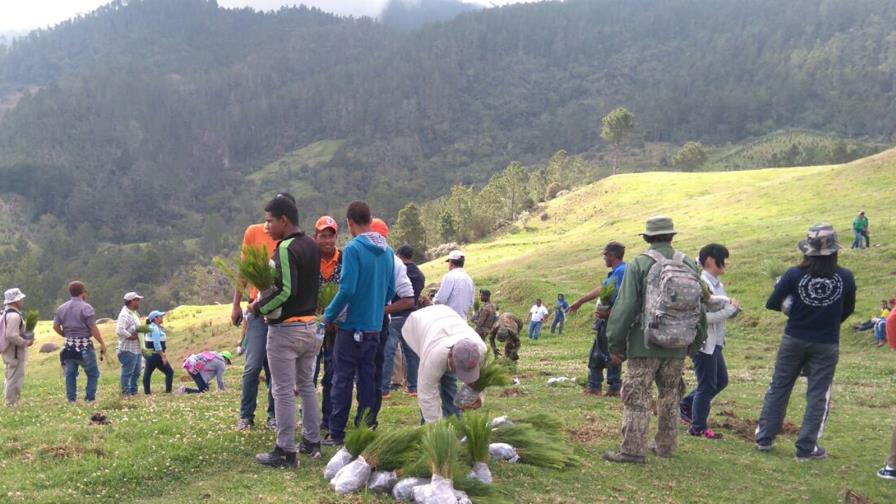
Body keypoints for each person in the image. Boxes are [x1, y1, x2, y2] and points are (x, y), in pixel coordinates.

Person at [603, 217, 706, 464]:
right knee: (670, 394)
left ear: (647, 238)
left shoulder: (640, 264)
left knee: (637, 396)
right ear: (671, 236)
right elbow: (699, 305)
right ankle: (666, 446)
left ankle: (632, 450)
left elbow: (625, 306)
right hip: (678, 344)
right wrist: (696, 340)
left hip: (644, 344)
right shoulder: (688, 263)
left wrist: (615, 344)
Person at [757, 223, 856, 461]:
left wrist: (794, 308)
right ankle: (806, 448)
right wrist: (828, 321)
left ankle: (765, 437)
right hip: (827, 342)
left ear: (807, 250)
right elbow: (848, 310)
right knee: (817, 395)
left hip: (794, 338)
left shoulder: (793, 274)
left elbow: (772, 303)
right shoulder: (845, 277)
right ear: (834, 250)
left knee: (779, 387)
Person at [247, 196, 321, 467]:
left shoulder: (286, 248)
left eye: (269, 221)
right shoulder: (311, 245)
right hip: (310, 326)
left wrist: (259, 306)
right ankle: (312, 441)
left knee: (282, 390)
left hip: (286, 330)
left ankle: (286, 450)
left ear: (284, 220)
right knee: (307, 385)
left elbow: (286, 290)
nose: (267, 227)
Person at [321, 201, 395, 446]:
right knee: (367, 379)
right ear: (370, 219)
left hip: (351, 326)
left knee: (341, 379)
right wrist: (375, 306)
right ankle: (364, 429)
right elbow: (391, 290)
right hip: (374, 326)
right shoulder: (387, 251)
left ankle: (337, 433)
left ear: (350, 222)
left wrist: (328, 315)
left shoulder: (353, 249)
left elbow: (347, 289)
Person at [233, 194, 292, 431]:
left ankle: (273, 415)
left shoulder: (291, 239)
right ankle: (246, 415)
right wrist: (236, 304)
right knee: (252, 365)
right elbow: (244, 270)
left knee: (275, 368)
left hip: (281, 313)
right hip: (256, 310)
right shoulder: (253, 232)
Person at [680, 244, 741, 439]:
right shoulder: (702, 282)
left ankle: (687, 404)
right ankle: (698, 427)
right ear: (711, 261)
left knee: (720, 381)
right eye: (724, 258)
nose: (727, 263)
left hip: (716, 342)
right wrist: (729, 310)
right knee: (707, 385)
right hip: (704, 342)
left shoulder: (716, 283)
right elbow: (701, 318)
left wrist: (729, 311)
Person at [402, 305, 487, 423]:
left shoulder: (480, 350)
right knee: (432, 383)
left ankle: (454, 423)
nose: (460, 374)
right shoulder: (433, 358)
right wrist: (438, 432)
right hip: (418, 326)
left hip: (447, 317)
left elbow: (481, 378)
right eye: (458, 369)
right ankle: (428, 426)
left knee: (449, 380)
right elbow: (427, 394)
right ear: (451, 356)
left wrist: (478, 396)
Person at [367, 218, 414, 428]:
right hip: (375, 322)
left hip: (378, 323)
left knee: (377, 363)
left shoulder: (393, 261)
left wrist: (378, 309)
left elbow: (408, 298)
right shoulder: (389, 260)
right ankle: (368, 416)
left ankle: (369, 415)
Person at [569, 241, 627, 397]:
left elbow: (622, 298)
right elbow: (602, 288)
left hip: (612, 322)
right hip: (605, 321)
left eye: (605, 255)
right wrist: (580, 301)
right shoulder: (617, 272)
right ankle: (596, 385)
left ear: (612, 255)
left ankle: (612, 387)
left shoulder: (622, 272)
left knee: (609, 353)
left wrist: (609, 314)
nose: (604, 258)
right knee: (597, 353)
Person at [382, 244, 426, 399]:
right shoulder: (420, 275)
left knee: (389, 351)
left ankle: (384, 388)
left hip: (395, 315)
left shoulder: (397, 269)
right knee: (411, 352)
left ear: (399, 255)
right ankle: (413, 387)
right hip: (411, 316)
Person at [54, 281, 107, 404]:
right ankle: (89, 399)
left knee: (70, 374)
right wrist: (102, 343)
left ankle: (71, 399)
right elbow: (93, 328)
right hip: (84, 346)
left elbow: (55, 326)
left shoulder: (61, 308)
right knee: (93, 373)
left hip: (68, 347)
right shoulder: (86, 308)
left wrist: (64, 334)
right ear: (83, 292)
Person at [312, 215, 341, 435]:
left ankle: (329, 417)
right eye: (322, 236)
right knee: (308, 373)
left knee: (332, 373)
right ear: (315, 237)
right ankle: (309, 416)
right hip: (311, 323)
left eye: (330, 236)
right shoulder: (309, 259)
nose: (327, 241)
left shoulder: (345, 259)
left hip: (337, 326)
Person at [2, 288, 34, 405]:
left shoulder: (5, 313)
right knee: (15, 378)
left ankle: (11, 401)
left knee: (10, 376)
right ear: (16, 301)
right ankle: (12, 403)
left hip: (8, 351)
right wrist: (25, 342)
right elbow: (11, 335)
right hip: (15, 352)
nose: (22, 301)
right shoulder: (15, 316)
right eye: (21, 299)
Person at [115, 292, 144, 397]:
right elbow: (119, 330)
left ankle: (133, 392)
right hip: (128, 349)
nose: (139, 302)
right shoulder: (125, 315)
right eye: (137, 300)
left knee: (136, 372)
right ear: (131, 301)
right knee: (127, 373)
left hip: (136, 348)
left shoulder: (133, 314)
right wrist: (131, 336)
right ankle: (125, 394)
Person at [433, 250, 475, 320]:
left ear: (451, 263)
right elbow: (471, 303)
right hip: (463, 321)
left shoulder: (450, 276)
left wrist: (432, 301)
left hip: (449, 319)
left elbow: (440, 299)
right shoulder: (469, 279)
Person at [142, 310, 174, 394]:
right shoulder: (155, 328)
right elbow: (156, 343)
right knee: (169, 372)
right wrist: (162, 356)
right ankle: (168, 392)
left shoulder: (150, 327)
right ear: (155, 318)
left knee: (148, 372)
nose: (162, 317)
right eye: (160, 316)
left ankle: (147, 393)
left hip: (150, 354)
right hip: (156, 355)